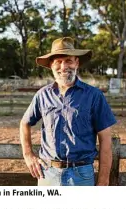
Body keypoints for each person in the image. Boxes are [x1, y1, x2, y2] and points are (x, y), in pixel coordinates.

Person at [20, 37, 117, 188]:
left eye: (68, 61)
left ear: (76, 62)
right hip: (47, 173)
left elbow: (105, 140)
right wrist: (28, 154)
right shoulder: (42, 95)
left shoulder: (94, 96)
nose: (63, 66)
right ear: (51, 65)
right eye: (58, 61)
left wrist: (103, 181)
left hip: (82, 175)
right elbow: (25, 123)